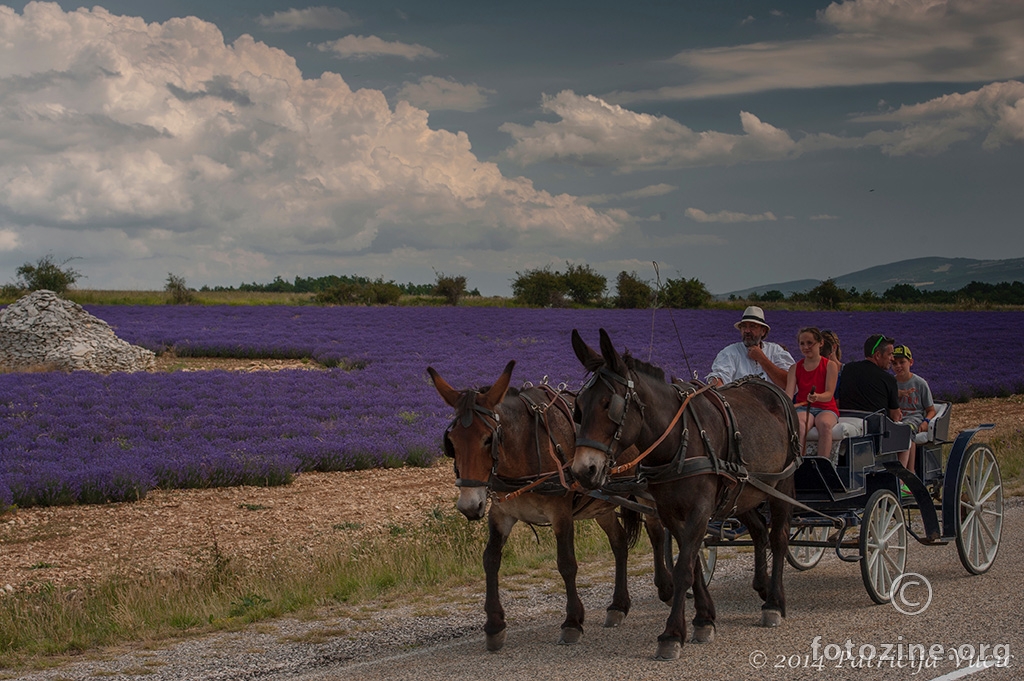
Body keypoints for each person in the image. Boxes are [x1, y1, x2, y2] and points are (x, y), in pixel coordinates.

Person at [835, 333, 910, 467]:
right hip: (876, 433)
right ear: (877, 355)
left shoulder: (847, 370)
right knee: (905, 435)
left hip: (846, 420)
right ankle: (901, 481)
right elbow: (894, 415)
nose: (892, 359)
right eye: (890, 354)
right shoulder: (889, 380)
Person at [706, 306, 794, 389]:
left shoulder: (776, 351)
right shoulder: (729, 352)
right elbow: (718, 379)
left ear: (763, 331)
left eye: (752, 326)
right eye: (744, 326)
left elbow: (788, 383)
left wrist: (762, 359)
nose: (747, 331)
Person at [786, 327, 839, 457]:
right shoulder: (795, 368)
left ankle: (822, 464)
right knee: (800, 426)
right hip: (804, 407)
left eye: (810, 343)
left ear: (820, 343)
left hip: (826, 408)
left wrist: (817, 397)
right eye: (802, 344)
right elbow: (788, 394)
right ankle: (799, 463)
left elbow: (829, 395)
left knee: (825, 425)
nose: (806, 347)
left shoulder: (830, 365)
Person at [891, 344, 936, 474]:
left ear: (911, 362)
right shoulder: (891, 382)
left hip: (913, 418)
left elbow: (931, 409)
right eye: (894, 363)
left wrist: (926, 422)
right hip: (896, 417)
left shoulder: (920, 383)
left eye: (902, 362)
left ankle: (908, 472)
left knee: (906, 430)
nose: (898, 366)